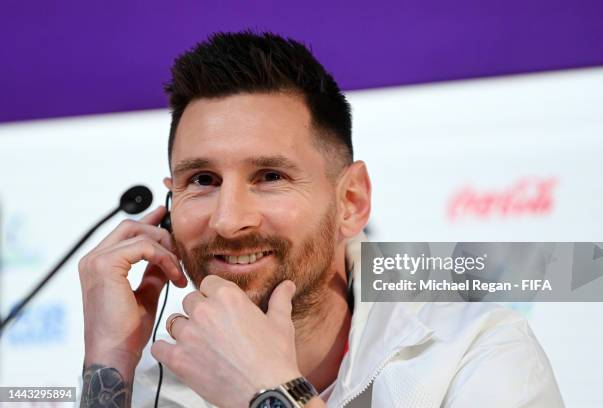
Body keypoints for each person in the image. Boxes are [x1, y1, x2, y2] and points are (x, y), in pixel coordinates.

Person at [78, 31, 564, 407]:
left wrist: (270, 391)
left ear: (351, 201)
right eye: (202, 180)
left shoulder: (474, 351)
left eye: (269, 176)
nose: (228, 221)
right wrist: (110, 360)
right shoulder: (150, 374)